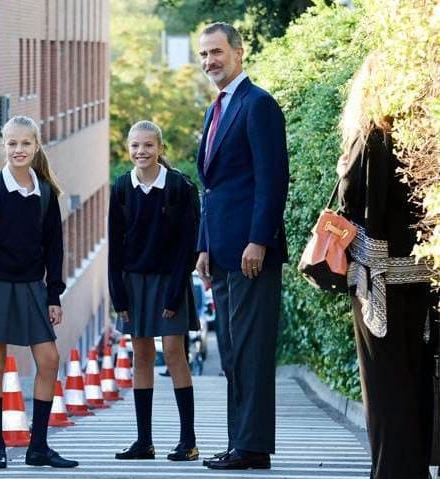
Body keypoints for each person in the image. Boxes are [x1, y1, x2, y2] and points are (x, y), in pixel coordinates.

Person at [336, 52, 436, 479]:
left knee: (384, 387)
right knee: (418, 381)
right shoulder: (426, 141)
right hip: (424, 280)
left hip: (378, 284)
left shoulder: (368, 140)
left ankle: (394, 472)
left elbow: (350, 207)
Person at [194, 23, 289, 470]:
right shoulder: (217, 109)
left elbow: (272, 181)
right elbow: (212, 188)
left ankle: (252, 447)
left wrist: (259, 240)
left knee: (251, 352)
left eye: (216, 52)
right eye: (203, 55)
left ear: (238, 52)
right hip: (223, 253)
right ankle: (242, 444)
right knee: (232, 353)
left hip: (253, 253)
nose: (209, 61)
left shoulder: (259, 105)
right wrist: (204, 246)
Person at [0, 115, 78, 469]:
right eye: (12, 143)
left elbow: (54, 248)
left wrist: (54, 295)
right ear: (3, 147)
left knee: (49, 360)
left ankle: (38, 447)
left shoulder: (45, 194)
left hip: (32, 288)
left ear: (36, 146)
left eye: (25, 143)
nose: (18, 149)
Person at [108, 120, 200, 462]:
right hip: (133, 283)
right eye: (134, 146)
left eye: (148, 145)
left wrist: (176, 292)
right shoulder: (120, 187)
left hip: (169, 281)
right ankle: (143, 441)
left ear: (160, 148)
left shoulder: (180, 187)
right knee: (141, 356)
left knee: (175, 353)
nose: (140, 152)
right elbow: (115, 247)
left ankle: (188, 441)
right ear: (128, 149)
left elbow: (187, 246)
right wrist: (118, 295)